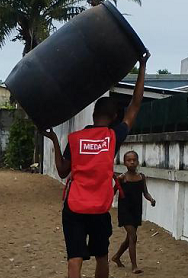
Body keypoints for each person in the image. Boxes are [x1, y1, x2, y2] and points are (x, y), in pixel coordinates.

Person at [42, 51, 149, 278]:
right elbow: (136, 105)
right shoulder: (113, 136)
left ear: (93, 114)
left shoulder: (75, 138)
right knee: (101, 256)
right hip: (99, 208)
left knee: (74, 259)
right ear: (114, 116)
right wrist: (142, 65)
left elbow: (62, 172)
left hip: (74, 207)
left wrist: (53, 140)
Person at [112, 150, 156, 274]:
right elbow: (113, 192)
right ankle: (134, 266)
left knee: (129, 239)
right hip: (125, 211)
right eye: (128, 160)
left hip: (136, 210)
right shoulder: (122, 178)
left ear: (137, 161)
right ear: (125, 162)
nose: (132, 162)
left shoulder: (141, 177)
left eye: (134, 160)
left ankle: (116, 257)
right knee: (133, 236)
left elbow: (145, 192)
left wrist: (151, 199)